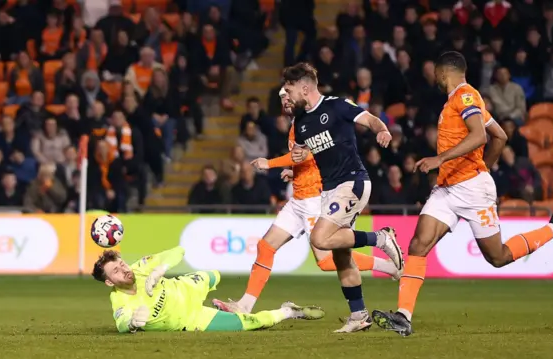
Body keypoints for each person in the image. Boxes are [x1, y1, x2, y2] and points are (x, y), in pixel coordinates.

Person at [371, 51, 553, 337]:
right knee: (418, 244)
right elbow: (500, 135)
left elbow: (481, 136)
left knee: (497, 257)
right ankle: (403, 316)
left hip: (473, 190)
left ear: (442, 73)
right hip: (448, 189)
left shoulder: (465, 96)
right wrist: (482, 166)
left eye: (435, 74)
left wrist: (444, 161)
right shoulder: (459, 100)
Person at [212, 88, 401, 316]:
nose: (285, 101)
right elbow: (308, 159)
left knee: (326, 260)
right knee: (265, 246)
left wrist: (269, 163)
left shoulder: (310, 121)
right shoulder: (298, 124)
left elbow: (309, 154)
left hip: (314, 198)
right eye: (282, 98)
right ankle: (245, 305)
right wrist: (295, 173)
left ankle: (388, 265)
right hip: (298, 199)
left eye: (288, 96)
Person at [282, 63, 404, 333]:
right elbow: (303, 153)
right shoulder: (301, 123)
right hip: (329, 190)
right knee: (341, 257)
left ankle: (381, 238)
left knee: (319, 239)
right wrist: (293, 169)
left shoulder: (336, 106)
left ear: (305, 88)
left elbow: (370, 119)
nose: (286, 95)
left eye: (289, 90)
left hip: (352, 182)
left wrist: (382, 130)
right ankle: (359, 315)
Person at [92, 246, 325, 333]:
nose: (124, 270)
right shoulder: (119, 301)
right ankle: (289, 311)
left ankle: (231, 304)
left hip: (187, 288)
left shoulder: (141, 267)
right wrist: (132, 323)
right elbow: (120, 322)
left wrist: (160, 268)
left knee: (214, 274)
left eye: (121, 264)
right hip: (193, 320)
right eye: (116, 271)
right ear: (110, 283)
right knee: (248, 324)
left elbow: (179, 251)